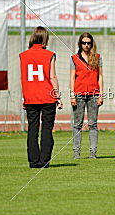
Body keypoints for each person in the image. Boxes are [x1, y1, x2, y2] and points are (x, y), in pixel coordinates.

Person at [20, 26, 63, 168]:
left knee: (32, 129)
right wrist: (58, 96)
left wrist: (24, 97)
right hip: (47, 97)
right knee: (46, 129)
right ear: (45, 39)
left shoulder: (23, 55)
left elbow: (24, 78)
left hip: (31, 97)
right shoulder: (49, 54)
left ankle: (33, 161)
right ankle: (44, 161)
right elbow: (52, 76)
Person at [70, 32, 104, 159]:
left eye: (88, 43)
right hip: (78, 94)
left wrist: (101, 94)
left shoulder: (97, 57)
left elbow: (100, 76)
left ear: (92, 43)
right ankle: (76, 153)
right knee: (77, 125)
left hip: (94, 95)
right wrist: (72, 95)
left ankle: (92, 153)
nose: (86, 45)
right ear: (80, 44)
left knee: (93, 124)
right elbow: (72, 77)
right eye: (84, 43)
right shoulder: (74, 58)